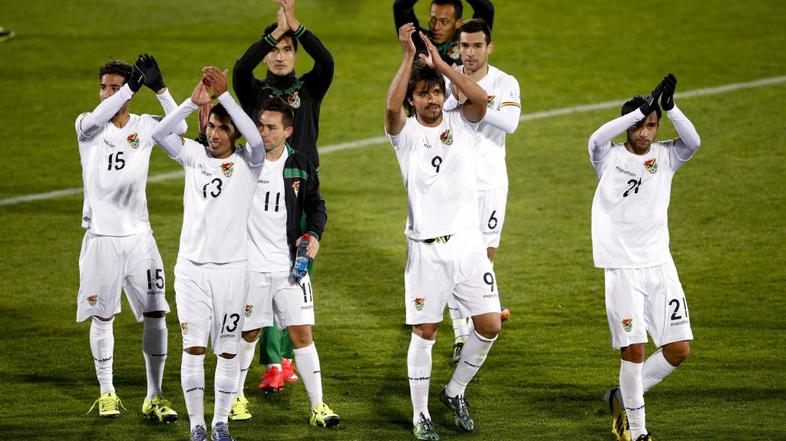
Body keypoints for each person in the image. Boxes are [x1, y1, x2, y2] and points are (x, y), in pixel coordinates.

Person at [385, 23, 502, 440]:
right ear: (413, 100)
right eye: (423, 94)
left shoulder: (461, 120)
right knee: (426, 332)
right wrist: (407, 57)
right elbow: (390, 110)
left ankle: (454, 391)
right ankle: (421, 415)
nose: (432, 99)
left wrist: (442, 66)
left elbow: (480, 98)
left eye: (436, 92)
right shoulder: (405, 135)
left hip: (469, 243)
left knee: (489, 324)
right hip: (426, 250)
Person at [151, 67, 265, 441]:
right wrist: (190, 103)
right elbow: (159, 134)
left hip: (232, 272)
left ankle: (220, 423)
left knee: (228, 351)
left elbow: (256, 138)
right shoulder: (194, 155)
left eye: (223, 128)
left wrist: (225, 95)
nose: (215, 134)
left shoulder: (250, 162)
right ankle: (197, 426)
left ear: (235, 134)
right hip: (192, 271)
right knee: (194, 348)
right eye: (212, 126)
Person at [588, 74, 700, 441]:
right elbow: (595, 138)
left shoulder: (666, 156)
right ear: (628, 124)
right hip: (623, 270)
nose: (644, 132)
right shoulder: (609, 157)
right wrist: (636, 112)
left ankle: (623, 396)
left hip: (660, 266)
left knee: (678, 349)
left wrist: (671, 108)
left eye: (651, 125)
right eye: (639, 125)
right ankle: (637, 432)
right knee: (633, 349)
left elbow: (694, 142)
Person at [232, 0, 334, 391]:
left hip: (303, 190)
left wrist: (297, 26)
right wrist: (275, 31)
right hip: (262, 192)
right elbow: (240, 68)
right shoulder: (254, 90)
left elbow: (326, 61)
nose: (279, 55)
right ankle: (274, 362)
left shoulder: (309, 88)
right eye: (274, 49)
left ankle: (287, 358)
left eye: (287, 49)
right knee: (266, 272)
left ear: (295, 54)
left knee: (296, 272)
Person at [77, 55, 184, 422]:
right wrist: (127, 89)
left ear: (131, 93)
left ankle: (154, 396)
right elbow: (97, 117)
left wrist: (161, 89)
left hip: (140, 239)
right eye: (104, 87)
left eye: (115, 87)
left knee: (157, 312)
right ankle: (107, 392)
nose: (107, 93)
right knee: (103, 316)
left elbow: (181, 127)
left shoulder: (145, 125)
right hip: (102, 239)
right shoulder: (87, 125)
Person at [229, 97, 338, 428]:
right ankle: (235, 396)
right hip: (251, 266)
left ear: (287, 131)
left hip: (290, 267)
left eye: (271, 127)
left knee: (302, 334)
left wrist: (314, 234)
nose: (263, 132)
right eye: (260, 125)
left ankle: (318, 406)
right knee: (249, 332)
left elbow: (316, 205)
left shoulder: (300, 164)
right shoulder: (243, 161)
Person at [443, 18, 521, 363]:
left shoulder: (505, 82)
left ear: (489, 47)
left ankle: (484, 310)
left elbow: (511, 123)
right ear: (457, 47)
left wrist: (474, 102)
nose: (470, 52)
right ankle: (462, 333)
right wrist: (456, 97)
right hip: (453, 184)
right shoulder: (446, 80)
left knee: (484, 255)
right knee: (452, 255)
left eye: (477, 45)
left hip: (490, 184)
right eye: (464, 45)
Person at [393, 0, 494, 66]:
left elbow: (486, 9)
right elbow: (400, 6)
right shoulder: (418, 40)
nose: (436, 27)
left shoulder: (469, 41)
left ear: (458, 23)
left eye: (444, 21)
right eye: (433, 20)